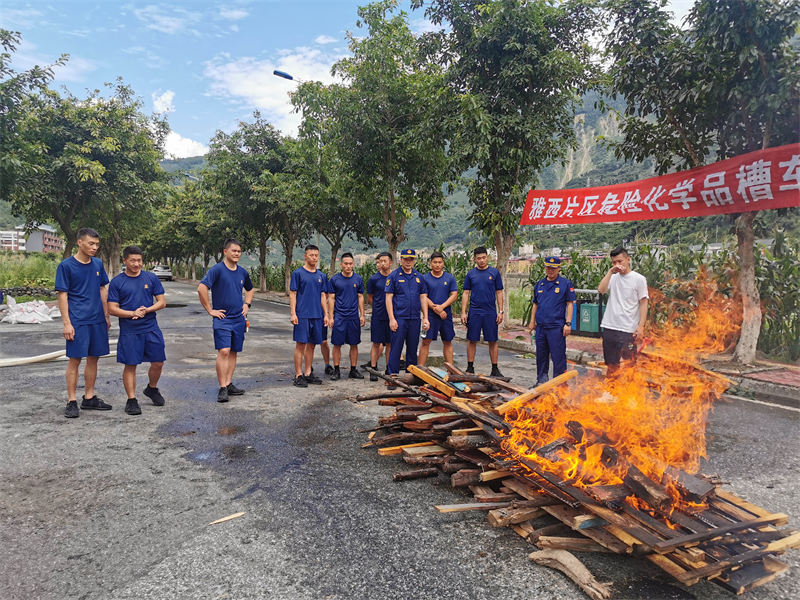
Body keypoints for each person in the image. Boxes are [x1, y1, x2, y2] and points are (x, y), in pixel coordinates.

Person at [55, 227, 112, 418]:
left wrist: (106, 315)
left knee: (94, 358)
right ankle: (71, 401)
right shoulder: (66, 266)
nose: (95, 247)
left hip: (97, 320)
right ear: (80, 243)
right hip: (78, 321)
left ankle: (89, 397)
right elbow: (62, 295)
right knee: (75, 359)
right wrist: (66, 323)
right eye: (91, 244)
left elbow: (103, 289)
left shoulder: (97, 264)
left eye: (97, 244)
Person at [107, 245, 167, 415]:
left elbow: (162, 302)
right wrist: (131, 313)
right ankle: (131, 399)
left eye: (139, 260)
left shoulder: (151, 278)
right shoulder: (117, 282)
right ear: (124, 261)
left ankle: (152, 388)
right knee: (131, 364)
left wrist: (147, 310)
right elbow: (112, 308)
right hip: (130, 330)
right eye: (132, 260)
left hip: (151, 327)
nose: (136, 264)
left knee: (158, 362)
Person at [197, 238, 255, 403]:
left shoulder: (243, 272)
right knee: (224, 351)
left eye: (239, 251)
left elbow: (250, 290)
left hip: (238, 319)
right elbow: (202, 288)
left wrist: (247, 304)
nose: (236, 254)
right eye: (233, 251)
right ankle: (222, 387)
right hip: (222, 319)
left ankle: (229, 383)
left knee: (234, 351)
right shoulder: (217, 270)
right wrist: (210, 310)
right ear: (225, 252)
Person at [597, 246, 649, 375]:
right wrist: (610, 272)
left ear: (628, 259)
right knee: (611, 364)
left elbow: (643, 302)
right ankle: (610, 392)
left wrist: (641, 326)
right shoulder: (613, 278)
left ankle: (630, 393)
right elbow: (601, 290)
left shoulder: (639, 279)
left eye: (620, 261)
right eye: (614, 262)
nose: (617, 265)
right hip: (610, 327)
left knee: (629, 365)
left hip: (628, 329)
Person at [526, 256, 576, 385]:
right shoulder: (540, 284)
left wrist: (568, 323)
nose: (550, 270)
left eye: (553, 268)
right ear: (545, 267)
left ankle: (560, 385)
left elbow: (570, 304)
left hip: (556, 327)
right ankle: (541, 382)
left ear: (559, 268)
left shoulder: (565, 284)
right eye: (548, 267)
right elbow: (535, 304)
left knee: (558, 357)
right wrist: (532, 322)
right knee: (541, 357)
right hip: (541, 327)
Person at [289, 245, 329, 387]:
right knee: (301, 344)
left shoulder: (321, 276)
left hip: (317, 315)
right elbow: (293, 294)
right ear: (305, 256)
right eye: (311, 255)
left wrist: (326, 314)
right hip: (302, 315)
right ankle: (298, 375)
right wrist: (293, 313)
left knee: (312, 345)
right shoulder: (298, 274)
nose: (314, 258)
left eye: (316, 255)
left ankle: (308, 373)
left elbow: (323, 296)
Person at [461, 246, 504, 377]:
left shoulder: (494, 273)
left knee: (492, 340)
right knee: (472, 340)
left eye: (484, 258)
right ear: (474, 259)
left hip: (490, 311)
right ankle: (470, 367)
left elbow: (499, 292)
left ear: (487, 257)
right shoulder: (470, 274)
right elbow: (466, 293)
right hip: (474, 311)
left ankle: (495, 369)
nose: (481, 260)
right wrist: (463, 312)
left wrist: (501, 311)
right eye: (478, 258)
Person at [385, 249, 429, 375]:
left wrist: (425, 317)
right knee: (396, 349)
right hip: (399, 318)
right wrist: (392, 319)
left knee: (412, 349)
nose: (408, 262)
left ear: (414, 261)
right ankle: (393, 377)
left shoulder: (419, 277)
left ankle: (410, 377)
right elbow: (388, 298)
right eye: (405, 259)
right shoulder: (393, 276)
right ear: (401, 260)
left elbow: (423, 297)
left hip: (414, 318)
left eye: (411, 259)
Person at [327, 252, 365, 380]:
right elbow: (331, 299)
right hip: (339, 317)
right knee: (337, 344)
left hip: (353, 317)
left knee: (354, 344)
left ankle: (353, 370)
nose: (348, 266)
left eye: (350, 264)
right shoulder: (335, 280)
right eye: (346, 264)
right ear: (341, 264)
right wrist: (331, 317)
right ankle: (336, 370)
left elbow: (360, 297)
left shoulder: (358, 279)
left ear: (353, 264)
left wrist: (362, 315)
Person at [418, 251, 458, 367]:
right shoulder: (425, 278)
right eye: (435, 262)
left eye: (439, 262)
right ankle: (420, 370)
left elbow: (454, 295)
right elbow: (423, 296)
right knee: (425, 341)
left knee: (447, 341)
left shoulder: (449, 278)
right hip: (429, 315)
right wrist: (436, 309)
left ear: (443, 263)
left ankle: (450, 370)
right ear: (430, 264)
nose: (437, 264)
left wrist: (442, 307)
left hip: (446, 314)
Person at [366, 252, 393, 381]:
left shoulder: (395, 277)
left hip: (392, 316)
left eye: (385, 261)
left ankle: (389, 369)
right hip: (378, 315)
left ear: (390, 262)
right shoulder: (374, 279)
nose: (382, 263)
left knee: (389, 343)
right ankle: (373, 368)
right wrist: (377, 307)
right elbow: (370, 297)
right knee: (376, 343)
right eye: (380, 261)